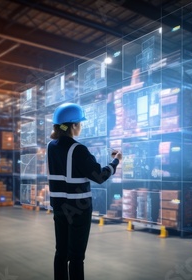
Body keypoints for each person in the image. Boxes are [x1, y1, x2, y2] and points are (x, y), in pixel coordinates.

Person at [47, 102, 122, 280]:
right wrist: (115, 162)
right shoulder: (78, 149)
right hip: (78, 209)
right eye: (80, 123)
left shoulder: (51, 147)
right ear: (73, 125)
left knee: (61, 253)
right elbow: (99, 176)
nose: (81, 126)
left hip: (59, 207)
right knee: (76, 257)